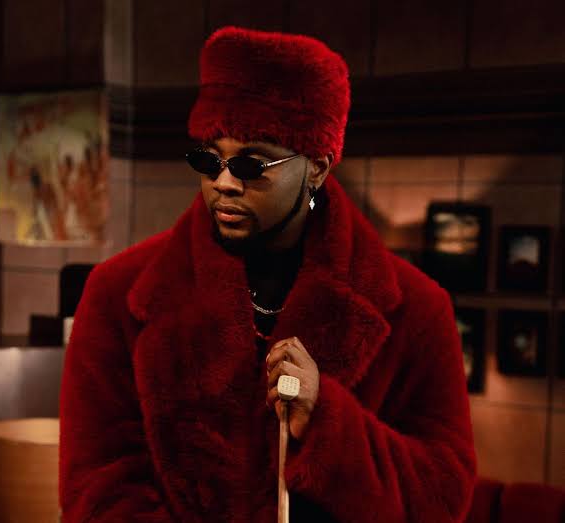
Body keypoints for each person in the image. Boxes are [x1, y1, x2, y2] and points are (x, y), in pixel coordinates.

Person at [59, 26, 476, 522]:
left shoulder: (418, 309)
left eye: (251, 164)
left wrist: (327, 422)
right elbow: (97, 489)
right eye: (208, 158)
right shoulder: (118, 293)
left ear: (317, 167)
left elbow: (444, 496)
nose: (223, 182)